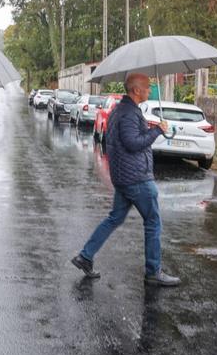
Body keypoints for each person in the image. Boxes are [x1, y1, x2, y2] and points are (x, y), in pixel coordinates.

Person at [71, 73, 181, 286]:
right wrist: (157, 130)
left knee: (115, 218)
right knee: (153, 221)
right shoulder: (129, 113)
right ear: (136, 90)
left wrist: (152, 129)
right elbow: (133, 143)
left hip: (123, 177)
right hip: (137, 179)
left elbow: (127, 139)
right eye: (147, 87)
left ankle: (85, 256)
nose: (150, 90)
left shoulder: (120, 111)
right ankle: (153, 272)